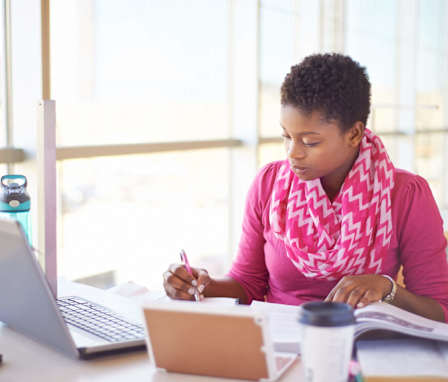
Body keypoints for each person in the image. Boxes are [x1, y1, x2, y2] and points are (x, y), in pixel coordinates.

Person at [163, 53, 448, 322]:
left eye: (310, 142)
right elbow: (247, 285)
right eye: (286, 137)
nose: (293, 153)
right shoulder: (269, 185)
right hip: (276, 346)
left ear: (354, 134)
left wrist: (386, 288)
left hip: (361, 350)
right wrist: (201, 285)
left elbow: (440, 310)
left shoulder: (405, 194)